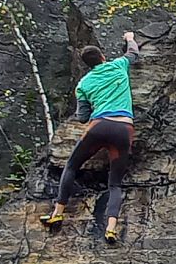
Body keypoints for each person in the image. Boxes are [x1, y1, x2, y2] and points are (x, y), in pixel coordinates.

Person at [42, 32, 142, 244]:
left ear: (87, 64)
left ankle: (57, 213)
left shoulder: (83, 84)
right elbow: (134, 53)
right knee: (115, 183)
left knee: (71, 166)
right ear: (103, 56)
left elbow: (82, 117)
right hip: (124, 129)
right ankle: (111, 229)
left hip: (99, 126)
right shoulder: (119, 65)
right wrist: (129, 38)